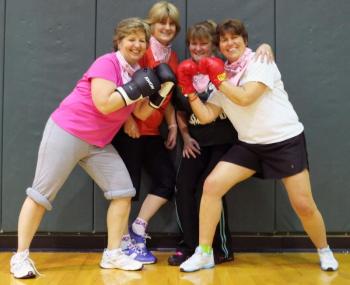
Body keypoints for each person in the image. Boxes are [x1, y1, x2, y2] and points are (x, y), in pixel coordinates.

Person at [9, 17, 176, 279]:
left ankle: (113, 254)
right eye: (131, 39)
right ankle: (20, 257)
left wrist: (160, 94)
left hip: (98, 143)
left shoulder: (137, 73)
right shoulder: (107, 63)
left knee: (123, 192)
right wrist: (137, 88)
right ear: (119, 41)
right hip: (68, 131)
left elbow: (141, 113)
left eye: (141, 40)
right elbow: (104, 103)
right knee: (41, 194)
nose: (137, 44)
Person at [177, 19, 339, 272]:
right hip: (250, 145)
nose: (230, 43)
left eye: (234, 38)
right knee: (211, 185)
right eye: (224, 40)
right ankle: (204, 252)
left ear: (244, 40)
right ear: (219, 46)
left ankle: (324, 250)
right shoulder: (224, 75)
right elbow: (207, 115)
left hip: (284, 141)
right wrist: (189, 91)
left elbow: (245, 97)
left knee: (304, 205)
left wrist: (218, 80)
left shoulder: (260, 63)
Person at [168, 20, 274, 266]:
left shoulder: (227, 70)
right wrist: (185, 137)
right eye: (193, 43)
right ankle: (189, 246)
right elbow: (180, 111)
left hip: (224, 141)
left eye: (203, 43)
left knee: (210, 187)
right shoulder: (184, 70)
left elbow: (251, 58)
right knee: (183, 187)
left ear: (213, 46)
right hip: (196, 142)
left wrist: (266, 46)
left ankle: (221, 248)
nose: (198, 48)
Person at [112, 1, 180, 264]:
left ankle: (138, 229)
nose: (166, 27)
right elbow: (120, 85)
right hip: (129, 131)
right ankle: (121, 243)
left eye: (171, 23)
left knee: (166, 182)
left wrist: (172, 125)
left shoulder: (172, 57)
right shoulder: (139, 50)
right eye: (161, 22)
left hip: (153, 132)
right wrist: (127, 119)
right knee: (127, 190)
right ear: (151, 25)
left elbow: (168, 96)